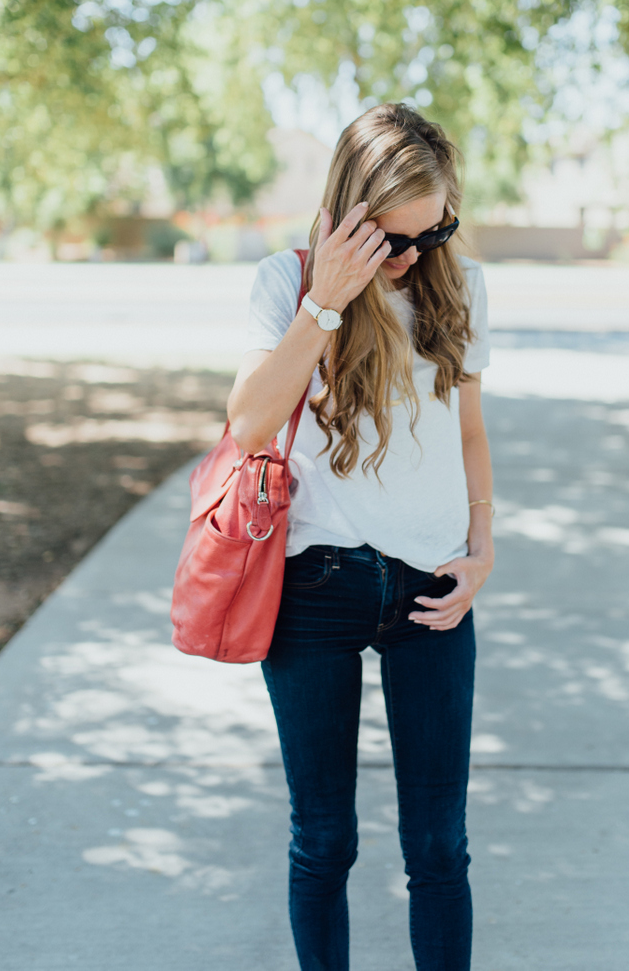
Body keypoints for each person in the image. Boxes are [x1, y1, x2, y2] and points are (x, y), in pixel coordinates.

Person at [227, 103, 493, 971]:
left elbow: (470, 434)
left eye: (437, 228)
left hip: (432, 588)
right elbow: (249, 426)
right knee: (324, 842)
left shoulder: (459, 285)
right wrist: (328, 303)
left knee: (438, 848)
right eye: (394, 240)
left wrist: (483, 547)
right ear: (350, 218)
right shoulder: (287, 282)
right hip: (314, 588)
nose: (418, 255)